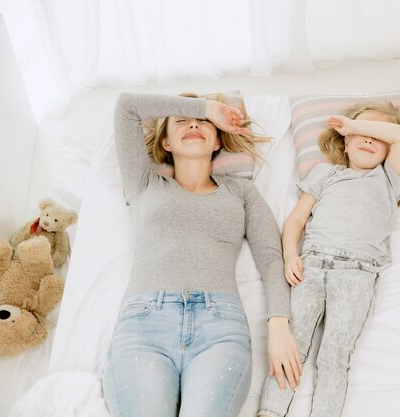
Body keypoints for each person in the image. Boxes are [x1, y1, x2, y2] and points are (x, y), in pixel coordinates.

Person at [102, 92, 301, 417]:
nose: (194, 123)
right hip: (145, 325)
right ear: (165, 143)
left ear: (217, 141)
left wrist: (279, 323)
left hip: (220, 329)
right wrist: (206, 109)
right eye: (181, 120)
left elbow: (270, 257)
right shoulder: (144, 184)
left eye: (204, 123)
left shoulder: (242, 192)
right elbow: (126, 106)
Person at [258, 101, 400, 417]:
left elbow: (399, 134)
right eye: (361, 133)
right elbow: (296, 220)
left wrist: (355, 126)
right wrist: (289, 255)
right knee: (293, 348)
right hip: (311, 267)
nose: (369, 139)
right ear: (344, 140)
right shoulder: (326, 174)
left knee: (334, 355)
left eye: (375, 135)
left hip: (357, 275)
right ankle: (269, 412)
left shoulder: (388, 180)